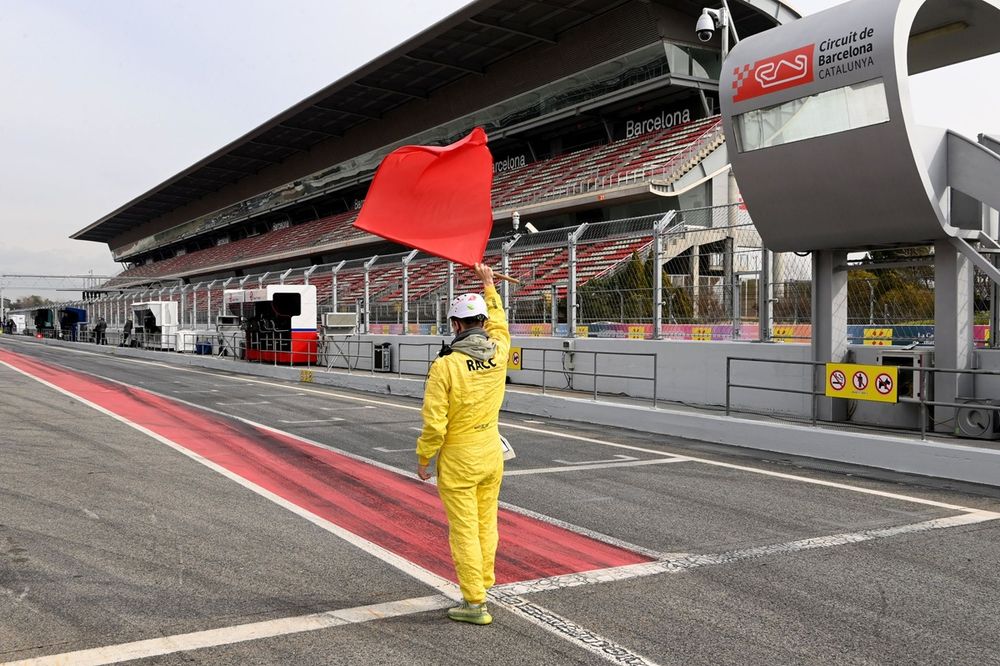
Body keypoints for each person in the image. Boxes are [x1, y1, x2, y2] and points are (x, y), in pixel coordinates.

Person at [416, 262, 510, 626]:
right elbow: (501, 324)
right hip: (491, 453)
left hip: (459, 458)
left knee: (464, 530)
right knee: (487, 523)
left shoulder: (446, 366)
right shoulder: (499, 352)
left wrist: (424, 457)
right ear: (482, 322)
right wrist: (489, 285)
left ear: (455, 325)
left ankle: (474, 602)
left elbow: (434, 423)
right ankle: (483, 581)